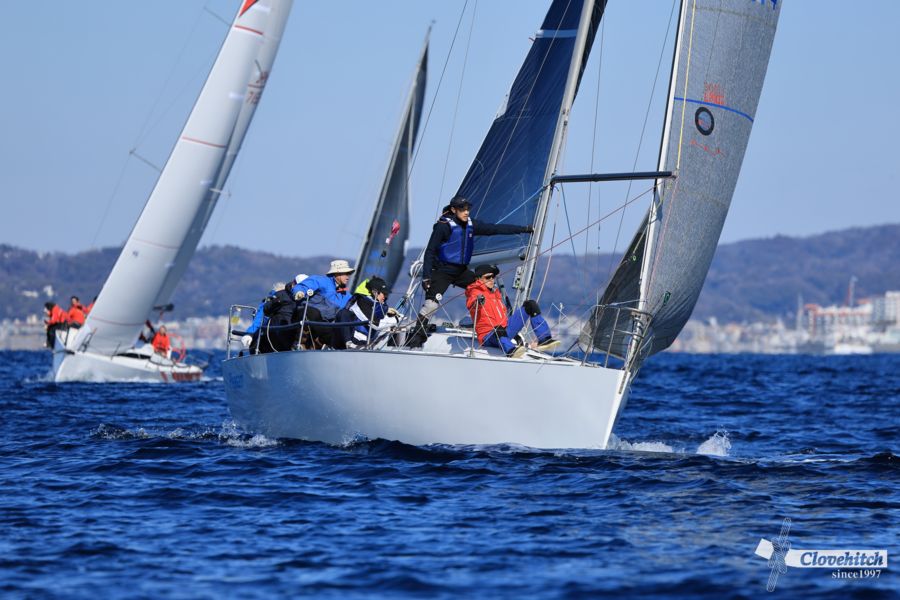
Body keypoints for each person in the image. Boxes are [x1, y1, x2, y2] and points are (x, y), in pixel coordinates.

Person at [406, 195, 533, 347]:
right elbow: (430, 251)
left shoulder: (471, 225)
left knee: (486, 289)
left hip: (461, 271)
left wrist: (523, 229)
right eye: (462, 209)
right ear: (454, 210)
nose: (466, 212)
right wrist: (426, 277)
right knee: (431, 305)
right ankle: (416, 337)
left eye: (467, 209)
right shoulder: (443, 226)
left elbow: (494, 229)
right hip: (442, 270)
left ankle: (496, 330)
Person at [465, 264, 559, 358]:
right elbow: (471, 304)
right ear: (478, 278)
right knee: (499, 329)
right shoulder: (474, 292)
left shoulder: (495, 293)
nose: (492, 279)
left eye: (493, 277)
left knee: (530, 305)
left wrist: (514, 334)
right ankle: (511, 351)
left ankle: (544, 339)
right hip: (488, 336)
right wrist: (478, 301)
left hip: (504, 330)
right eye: (488, 277)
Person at [292, 260, 354, 348]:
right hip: (313, 319)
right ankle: (300, 344)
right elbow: (303, 286)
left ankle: (319, 347)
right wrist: (299, 292)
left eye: (349, 274)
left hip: (329, 325)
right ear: (336, 274)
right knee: (311, 312)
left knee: (341, 328)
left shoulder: (347, 295)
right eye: (346, 274)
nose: (348, 277)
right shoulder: (321, 281)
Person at [335, 276, 400, 349]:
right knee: (343, 312)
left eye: (387, 294)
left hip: (365, 343)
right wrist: (396, 319)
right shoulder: (361, 302)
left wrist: (388, 312)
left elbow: (379, 318)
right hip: (353, 341)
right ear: (375, 292)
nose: (385, 296)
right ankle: (349, 344)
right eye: (384, 293)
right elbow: (376, 324)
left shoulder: (378, 305)